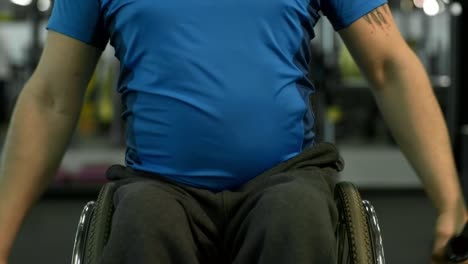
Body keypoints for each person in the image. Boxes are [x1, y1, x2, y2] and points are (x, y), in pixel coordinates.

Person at [0, 0, 466, 263]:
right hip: (159, 187)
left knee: (295, 214)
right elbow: (52, 99)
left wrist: (451, 205)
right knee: (143, 220)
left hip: (285, 178)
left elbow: (388, 67)